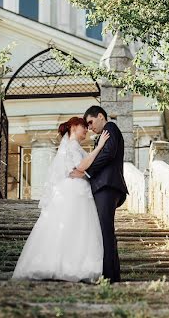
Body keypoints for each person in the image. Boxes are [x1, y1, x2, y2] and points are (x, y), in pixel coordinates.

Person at [12, 116, 110, 282]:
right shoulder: (71, 147)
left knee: (77, 228)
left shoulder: (74, 147)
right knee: (71, 226)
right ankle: (66, 264)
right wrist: (99, 147)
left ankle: (71, 263)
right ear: (73, 127)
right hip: (73, 191)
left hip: (78, 188)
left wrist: (82, 171)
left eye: (87, 127)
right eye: (83, 127)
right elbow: (81, 166)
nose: (86, 130)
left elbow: (80, 169)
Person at [70, 105, 128, 283]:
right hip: (103, 187)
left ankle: (110, 277)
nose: (89, 127)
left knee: (105, 231)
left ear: (101, 116)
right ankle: (111, 274)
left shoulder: (110, 128)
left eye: (90, 122)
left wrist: (87, 172)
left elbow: (108, 154)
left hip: (107, 186)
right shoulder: (102, 136)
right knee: (103, 231)